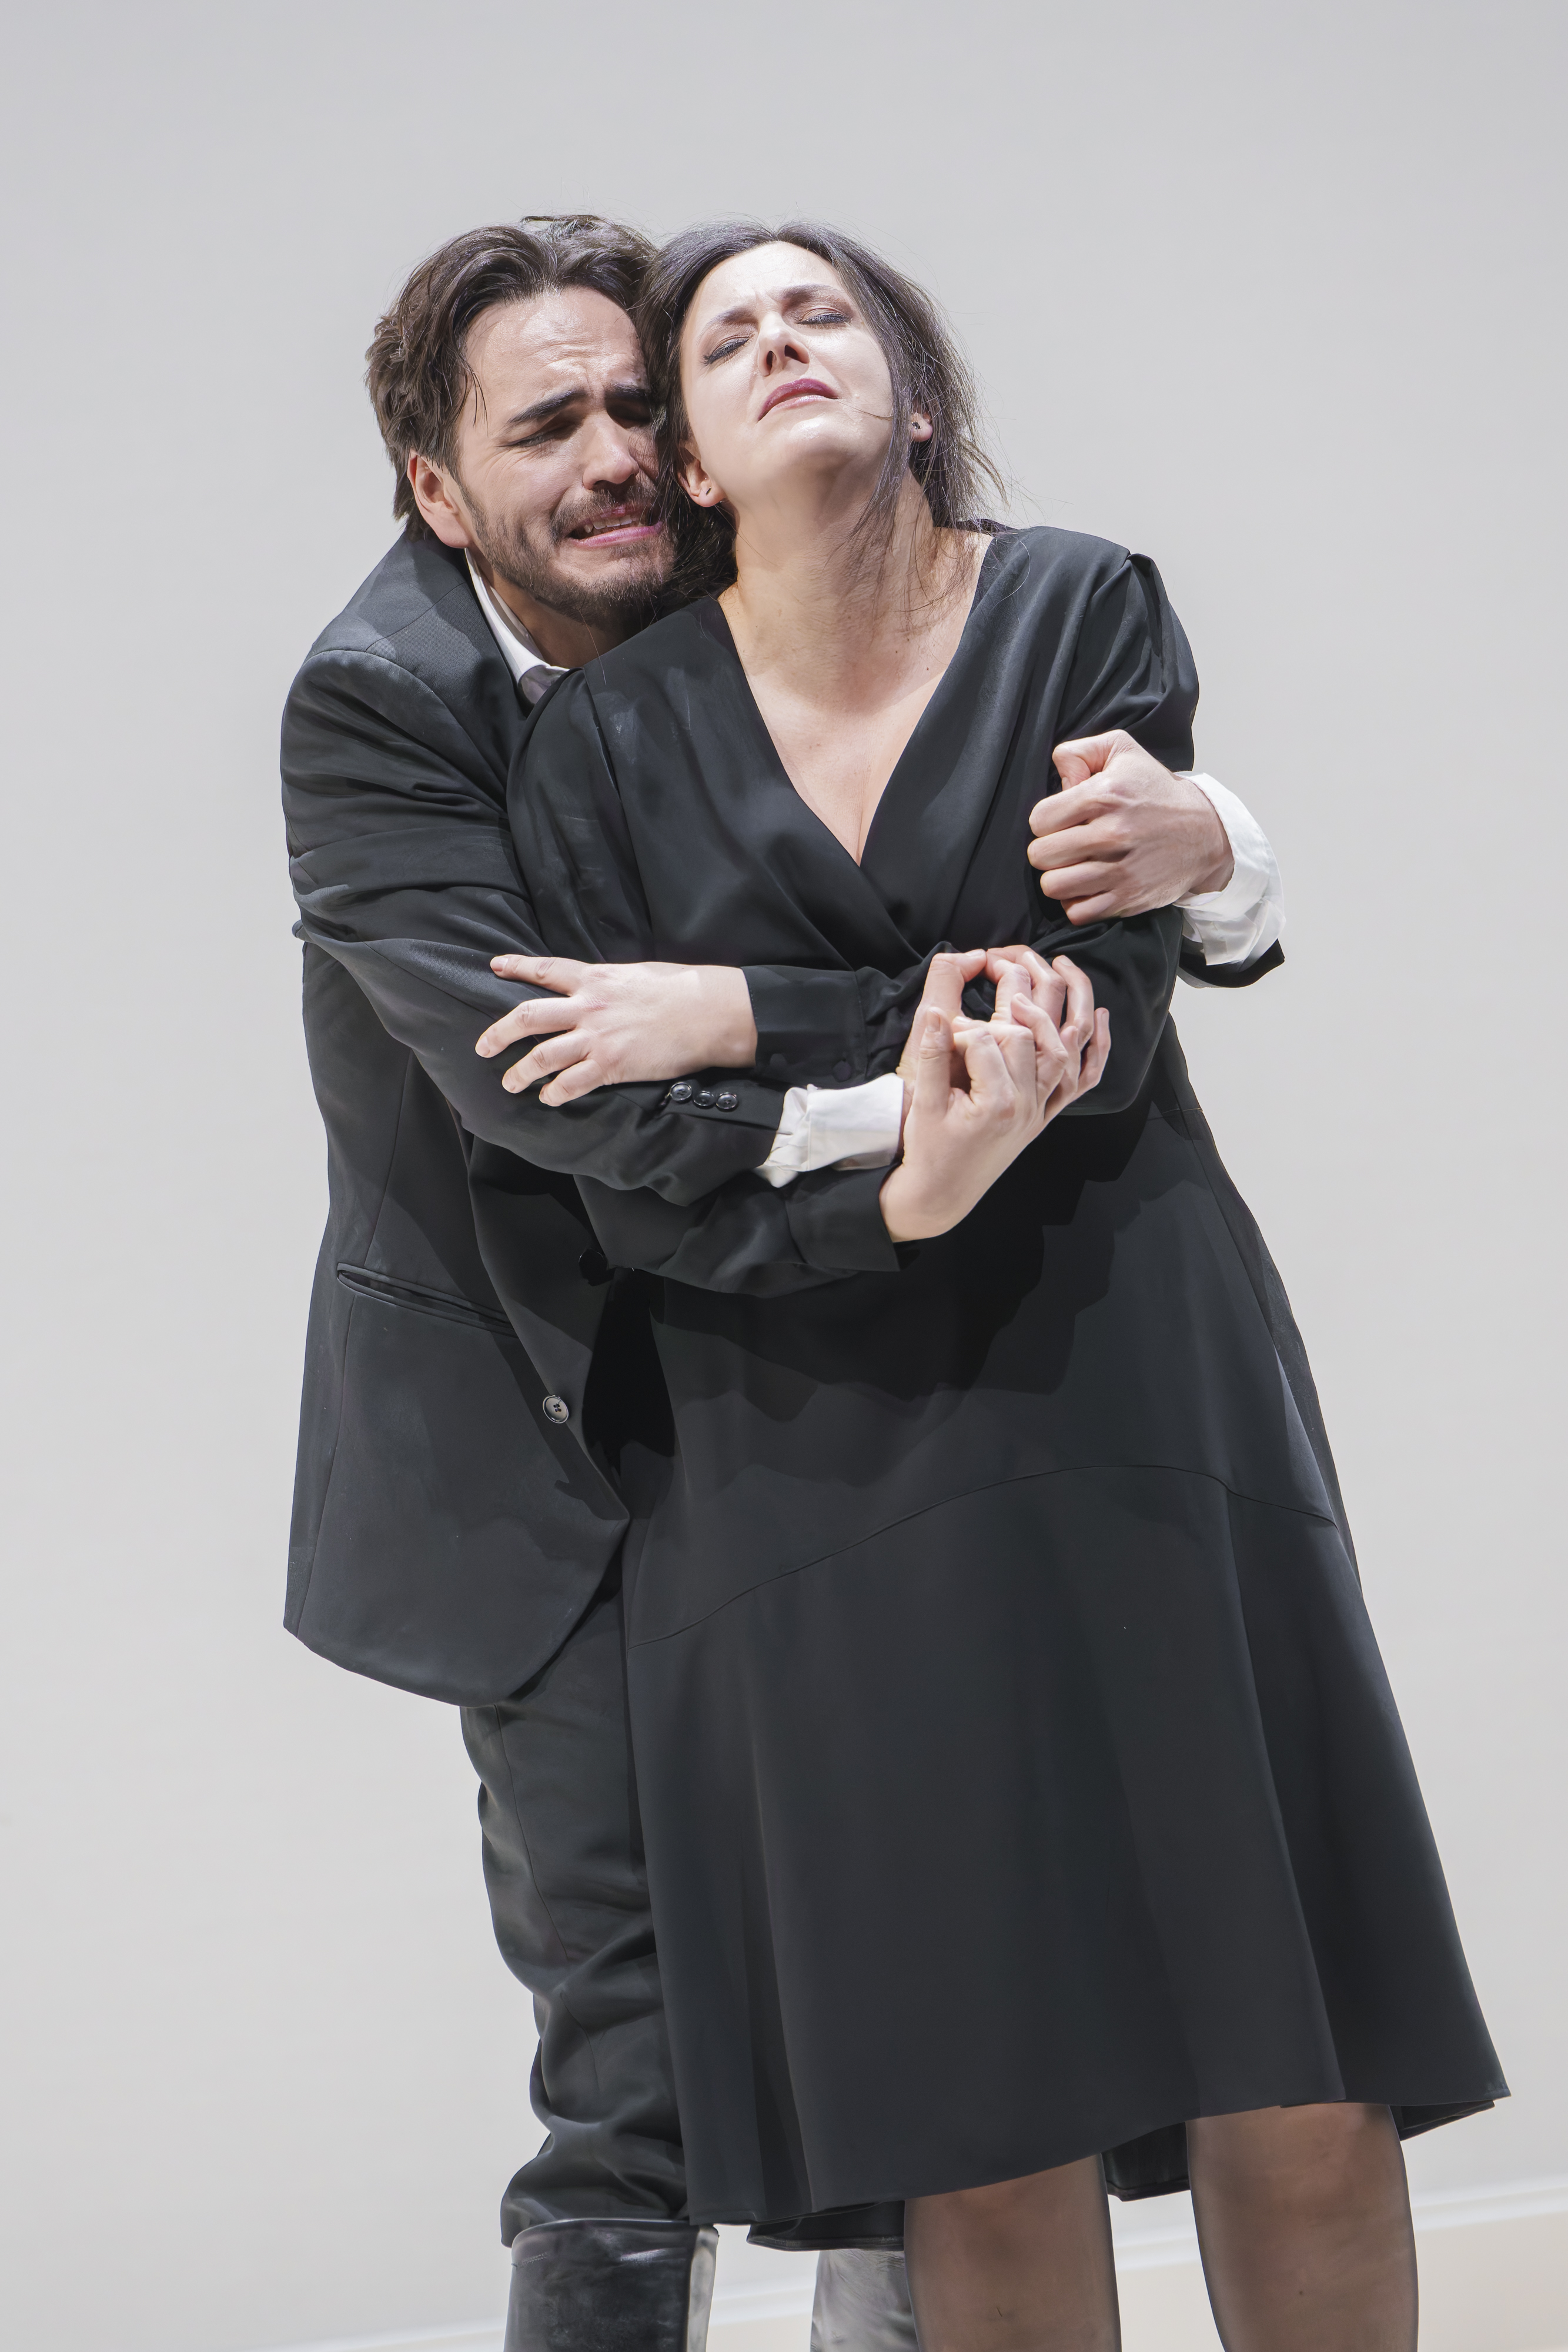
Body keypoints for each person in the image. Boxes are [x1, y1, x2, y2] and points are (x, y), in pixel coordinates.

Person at [498, 219, 1507, 2352]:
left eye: (823, 312)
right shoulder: (601, 744)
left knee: (1287, 2045)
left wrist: (736, 1011)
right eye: (727, 336)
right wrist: (836, 1067)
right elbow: (642, 1155)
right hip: (800, 1430)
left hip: (1123, 1362)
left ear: (915, 390)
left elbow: (1091, 1030)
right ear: (687, 455)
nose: (781, 341)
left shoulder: (1073, 605)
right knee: (969, 2097)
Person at [282, 215, 1285, 2352]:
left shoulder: (794, 600)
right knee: (637, 2080)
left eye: (630, 405)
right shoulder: (385, 704)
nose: (611, 457)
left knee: (910, 2027)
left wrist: (1218, 847)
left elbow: (1049, 914)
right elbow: (577, 1099)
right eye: (541, 429)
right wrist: (908, 1143)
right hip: (562, 1448)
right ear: (436, 490)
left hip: (832, 1407)